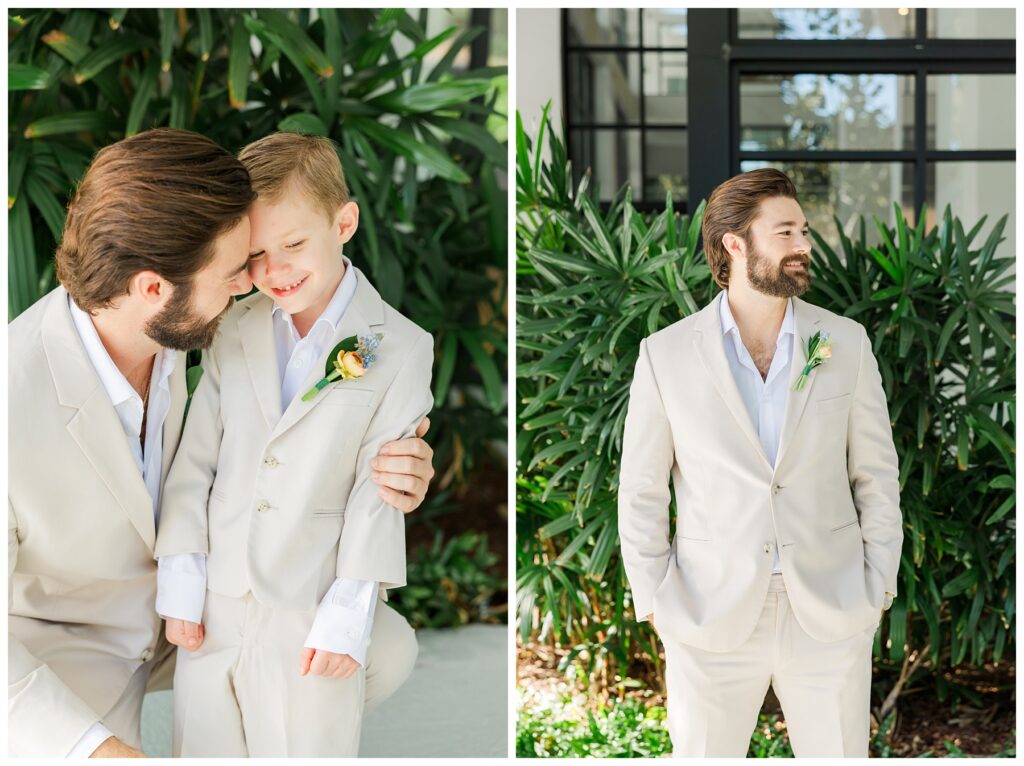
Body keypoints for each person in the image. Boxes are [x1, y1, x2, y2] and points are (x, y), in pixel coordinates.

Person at [8, 128, 434, 758]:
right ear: (155, 288)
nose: (252, 285)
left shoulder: (180, 330)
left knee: (385, 644)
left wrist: (397, 471)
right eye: (238, 269)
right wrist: (102, 750)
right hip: (73, 638)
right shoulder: (12, 400)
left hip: (216, 599)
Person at [154, 132, 433, 757]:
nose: (274, 271)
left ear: (345, 222)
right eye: (255, 254)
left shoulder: (402, 344)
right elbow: (195, 459)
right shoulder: (232, 326)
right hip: (215, 597)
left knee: (308, 744)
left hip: (311, 599)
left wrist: (349, 611)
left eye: (294, 244)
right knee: (202, 742)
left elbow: (378, 489)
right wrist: (180, 577)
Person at [617, 168, 903, 757]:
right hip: (708, 613)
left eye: (803, 230)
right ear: (734, 244)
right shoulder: (665, 354)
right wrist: (657, 600)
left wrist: (877, 588)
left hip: (830, 608)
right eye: (786, 233)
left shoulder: (844, 343)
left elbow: (876, 475)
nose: (803, 246)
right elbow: (642, 490)